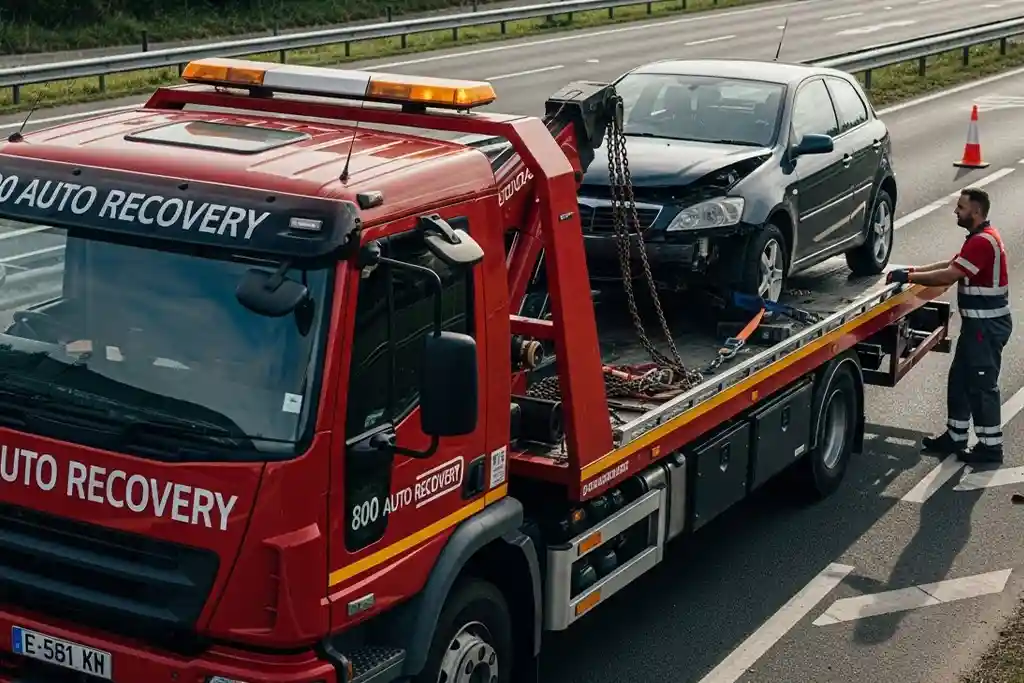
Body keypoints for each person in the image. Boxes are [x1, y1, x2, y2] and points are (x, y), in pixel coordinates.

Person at [886, 187, 1011, 465]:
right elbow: (951, 263)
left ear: (976, 211)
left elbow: (950, 274)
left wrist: (908, 277)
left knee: (981, 384)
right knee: (960, 380)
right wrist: (912, 273)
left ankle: (991, 448)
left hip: (986, 327)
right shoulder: (979, 239)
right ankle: (956, 436)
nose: (956, 211)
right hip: (978, 326)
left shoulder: (982, 242)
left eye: (961, 207)